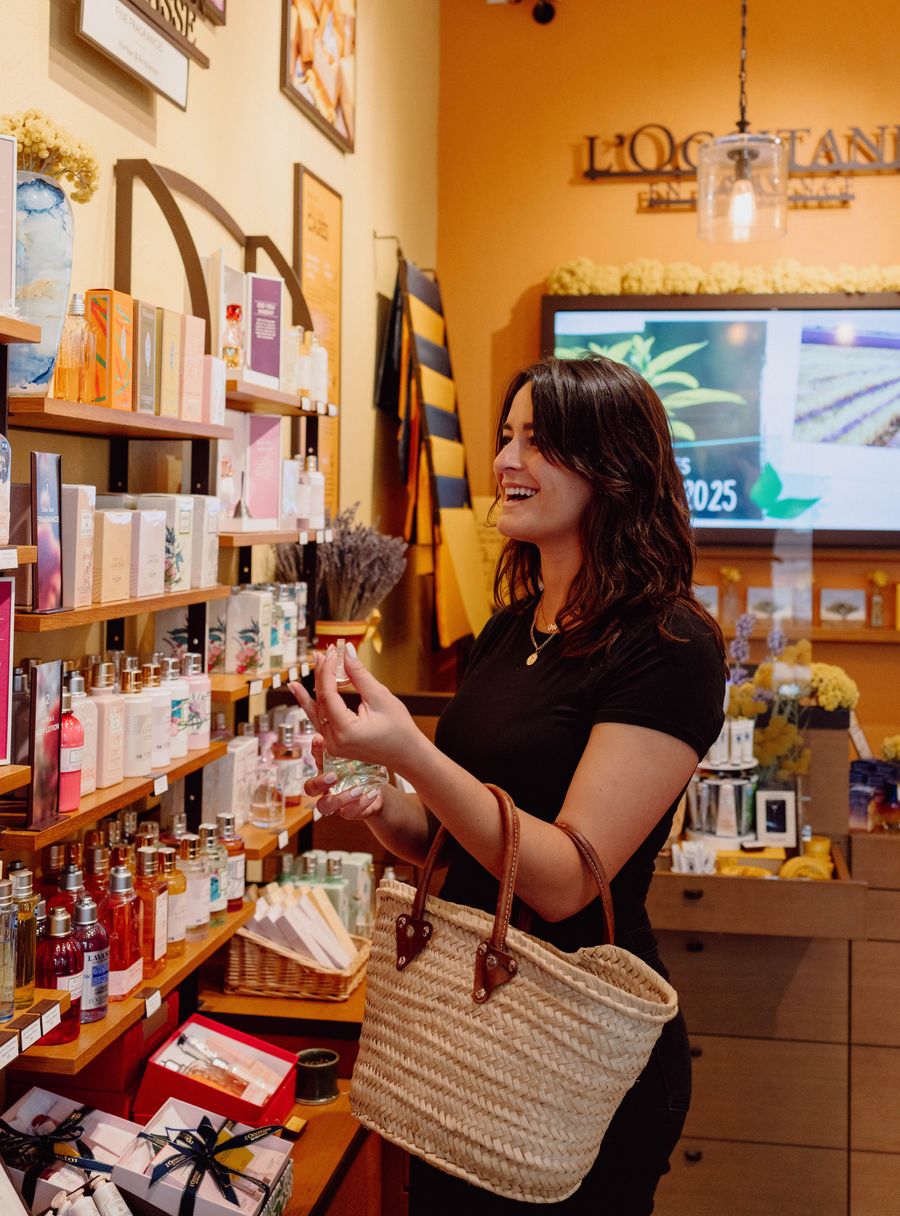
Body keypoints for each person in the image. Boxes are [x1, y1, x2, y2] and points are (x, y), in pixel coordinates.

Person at [289, 355, 726, 1215]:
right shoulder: (508, 632)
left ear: (616, 467)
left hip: (571, 1038)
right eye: (505, 437)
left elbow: (563, 878)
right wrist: (382, 800)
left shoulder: (669, 646)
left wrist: (410, 752)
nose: (504, 462)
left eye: (539, 440)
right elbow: (454, 839)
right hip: (467, 1032)